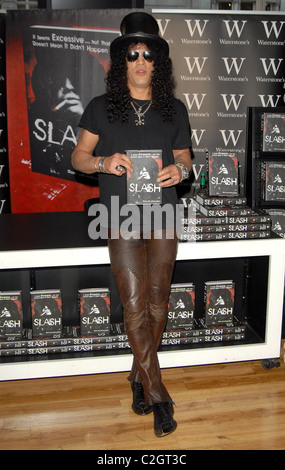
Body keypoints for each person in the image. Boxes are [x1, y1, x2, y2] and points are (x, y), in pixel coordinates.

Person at [71, 11, 192, 438]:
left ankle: (137, 377)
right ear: (121, 60)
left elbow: (184, 158)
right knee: (136, 302)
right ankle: (158, 393)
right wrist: (104, 161)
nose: (141, 61)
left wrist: (181, 172)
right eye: (132, 54)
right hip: (120, 216)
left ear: (158, 62)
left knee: (159, 303)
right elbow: (78, 158)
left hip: (163, 215)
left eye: (148, 55)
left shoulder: (173, 108)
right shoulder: (100, 107)